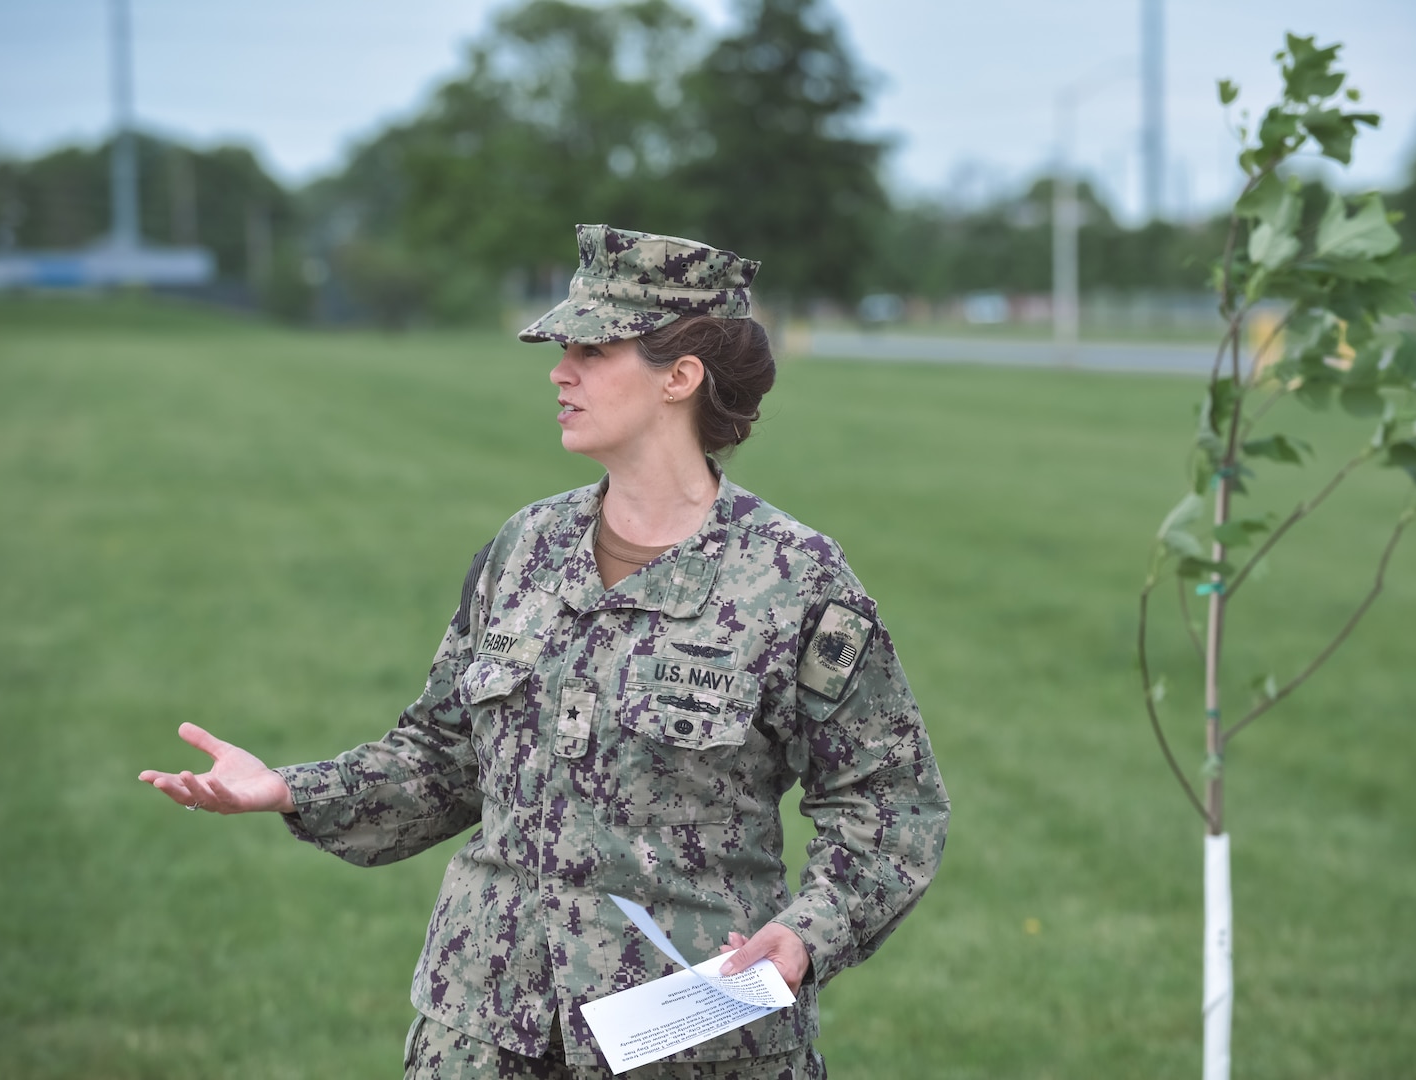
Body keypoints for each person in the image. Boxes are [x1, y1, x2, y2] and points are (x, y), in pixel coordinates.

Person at [140, 224, 950, 1079]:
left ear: (680, 377)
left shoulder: (791, 577)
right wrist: (288, 788)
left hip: (689, 1042)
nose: (560, 373)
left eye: (592, 351)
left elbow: (887, 803)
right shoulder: (525, 547)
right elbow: (446, 760)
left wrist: (806, 934)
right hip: (481, 1034)